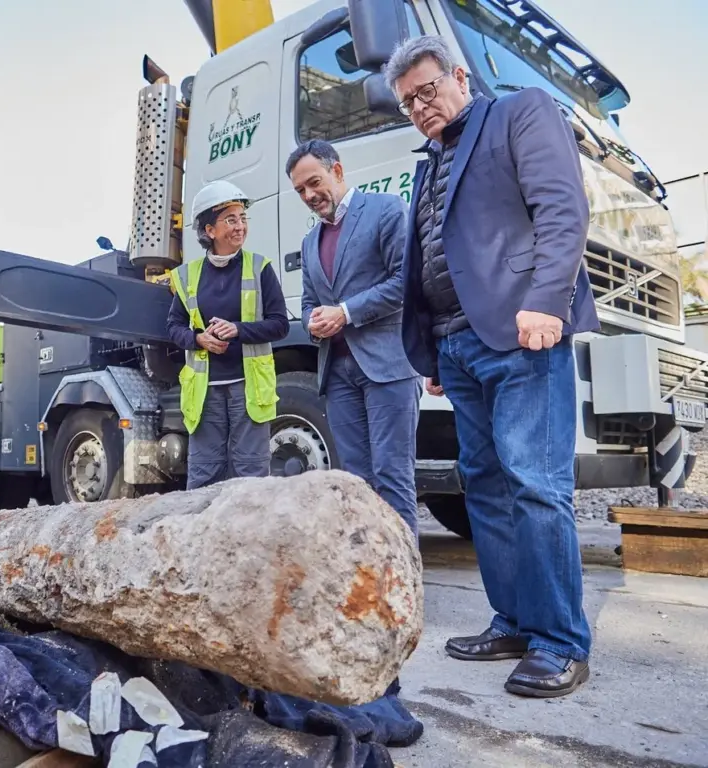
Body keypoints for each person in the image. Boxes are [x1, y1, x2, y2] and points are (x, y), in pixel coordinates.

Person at [384, 34, 599, 698]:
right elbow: (434, 255)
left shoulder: (518, 113)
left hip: (521, 331)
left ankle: (559, 641)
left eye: (427, 90)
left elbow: (563, 208)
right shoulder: (430, 162)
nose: (420, 107)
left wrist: (547, 301)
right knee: (485, 488)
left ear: (459, 77)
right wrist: (433, 347)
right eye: (407, 102)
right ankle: (514, 621)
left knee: (535, 483)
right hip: (458, 347)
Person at [287, 139, 422, 538]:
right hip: (338, 373)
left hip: (388, 366)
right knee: (354, 483)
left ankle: (403, 572)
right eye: (300, 190)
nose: (309, 195)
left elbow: (405, 282)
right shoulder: (310, 242)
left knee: (392, 475)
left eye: (314, 182)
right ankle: (366, 569)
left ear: (338, 171)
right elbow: (309, 302)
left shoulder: (386, 210)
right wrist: (312, 322)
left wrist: (345, 312)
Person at [165, 180, 289, 490]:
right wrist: (198, 339)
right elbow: (173, 327)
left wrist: (238, 329)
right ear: (210, 230)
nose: (240, 226)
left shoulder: (260, 268)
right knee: (204, 478)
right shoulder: (187, 275)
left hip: (249, 389)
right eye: (231, 220)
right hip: (205, 393)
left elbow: (280, 324)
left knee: (251, 478)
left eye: (243, 218)